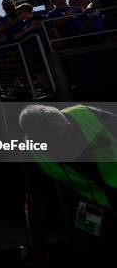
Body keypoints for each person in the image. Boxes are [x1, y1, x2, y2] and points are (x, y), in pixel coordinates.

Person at [19, 104, 117, 265]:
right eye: (50, 146)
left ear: (69, 127)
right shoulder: (32, 152)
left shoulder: (91, 116)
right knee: (91, 248)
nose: (59, 149)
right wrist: (38, 249)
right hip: (86, 200)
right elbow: (36, 201)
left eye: (61, 141)